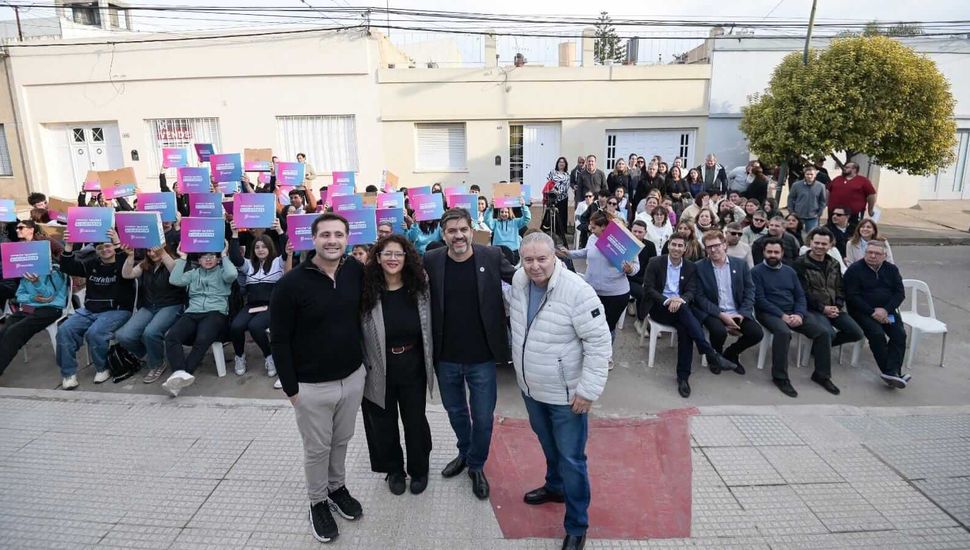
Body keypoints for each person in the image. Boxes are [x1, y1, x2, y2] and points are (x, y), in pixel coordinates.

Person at [508, 232, 611, 550]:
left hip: (567, 397)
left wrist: (588, 391)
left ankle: (577, 525)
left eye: (542, 259)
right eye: (528, 260)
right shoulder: (519, 281)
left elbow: (599, 343)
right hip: (531, 389)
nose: (535, 266)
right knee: (549, 446)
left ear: (555, 257)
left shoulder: (578, 291)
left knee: (571, 459)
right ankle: (555, 487)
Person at [270, 213, 367, 543]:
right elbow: (279, 339)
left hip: (352, 378)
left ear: (347, 239)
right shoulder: (291, 284)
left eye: (338, 234)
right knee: (317, 448)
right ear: (313, 239)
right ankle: (317, 502)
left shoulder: (355, 271)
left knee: (342, 440)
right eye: (325, 234)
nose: (332, 240)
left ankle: (337, 488)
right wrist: (292, 389)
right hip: (311, 386)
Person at [423, 208, 516, 500]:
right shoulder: (431, 260)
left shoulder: (491, 256)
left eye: (463, 229)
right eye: (452, 231)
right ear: (443, 234)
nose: (458, 236)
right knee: (456, 413)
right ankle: (465, 452)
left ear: (471, 231)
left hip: (482, 357)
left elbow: (521, 279)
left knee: (484, 418)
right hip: (446, 357)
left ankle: (476, 465)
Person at [360, 235, 434, 496]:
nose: (393, 259)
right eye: (387, 254)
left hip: (413, 366)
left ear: (406, 257)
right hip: (378, 368)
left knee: (415, 421)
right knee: (384, 423)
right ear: (378, 258)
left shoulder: (420, 288)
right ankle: (394, 470)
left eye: (398, 254)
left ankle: (419, 469)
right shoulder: (367, 291)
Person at [642, 235, 737, 397]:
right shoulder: (655, 262)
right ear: (668, 245)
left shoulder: (690, 267)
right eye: (674, 244)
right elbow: (649, 289)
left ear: (685, 249)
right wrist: (668, 301)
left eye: (680, 246)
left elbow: (691, 291)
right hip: (660, 307)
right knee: (686, 314)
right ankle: (710, 353)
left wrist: (680, 300)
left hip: (680, 308)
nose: (676, 248)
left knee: (686, 329)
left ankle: (683, 377)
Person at [751, 238, 839, 398]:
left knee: (823, 332)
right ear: (763, 252)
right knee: (783, 332)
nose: (772, 255)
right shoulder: (756, 272)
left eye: (776, 252)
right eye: (769, 252)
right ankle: (780, 377)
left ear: (782, 253)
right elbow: (760, 300)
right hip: (769, 313)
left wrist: (798, 314)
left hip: (793, 311)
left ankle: (822, 375)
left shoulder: (789, 271)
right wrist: (783, 316)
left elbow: (800, 296)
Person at [56, 228, 135, 390]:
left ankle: (102, 367)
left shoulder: (124, 263)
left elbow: (124, 265)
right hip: (90, 310)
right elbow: (67, 267)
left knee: (95, 333)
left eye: (108, 246)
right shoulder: (91, 264)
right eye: (100, 248)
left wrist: (117, 242)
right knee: (64, 330)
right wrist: (69, 246)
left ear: (114, 247)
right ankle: (69, 374)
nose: (105, 250)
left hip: (117, 310)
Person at [160, 240, 237, 396]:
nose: (208, 259)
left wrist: (224, 255)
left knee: (202, 338)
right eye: (204, 257)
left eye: (212, 256)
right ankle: (179, 372)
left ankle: (183, 375)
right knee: (171, 337)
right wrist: (182, 257)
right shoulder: (193, 273)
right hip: (192, 312)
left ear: (217, 259)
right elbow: (175, 280)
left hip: (215, 312)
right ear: (199, 260)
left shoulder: (222, 272)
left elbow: (232, 275)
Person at [0, 223, 68, 378]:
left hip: (50, 308)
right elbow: (19, 295)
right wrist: (31, 297)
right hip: (30, 307)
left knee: (15, 332)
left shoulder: (55, 271)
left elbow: (49, 296)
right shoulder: (26, 271)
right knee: (4, 331)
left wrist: (37, 283)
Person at [565, 212, 637, 353]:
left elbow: (635, 267)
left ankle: (605, 355)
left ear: (604, 227)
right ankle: (589, 353)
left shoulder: (622, 241)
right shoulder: (593, 238)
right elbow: (587, 252)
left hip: (615, 295)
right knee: (589, 325)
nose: (590, 230)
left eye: (593, 227)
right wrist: (569, 253)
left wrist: (630, 269)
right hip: (591, 292)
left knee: (607, 328)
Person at [693, 231, 763, 374]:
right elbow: (699, 297)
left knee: (756, 333)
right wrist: (721, 315)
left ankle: (731, 353)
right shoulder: (699, 267)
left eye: (716, 245)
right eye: (709, 247)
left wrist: (742, 314)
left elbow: (750, 290)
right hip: (714, 311)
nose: (713, 250)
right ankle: (716, 357)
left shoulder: (740, 265)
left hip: (737, 311)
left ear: (724, 245)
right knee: (719, 332)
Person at [843, 238, 909, 388]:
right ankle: (891, 372)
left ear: (884, 256)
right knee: (877, 334)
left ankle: (892, 372)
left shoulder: (891, 269)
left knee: (899, 334)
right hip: (863, 312)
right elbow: (852, 296)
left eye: (877, 253)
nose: (872, 256)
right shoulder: (854, 270)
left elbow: (899, 293)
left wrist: (885, 310)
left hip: (887, 311)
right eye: (869, 252)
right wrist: (873, 312)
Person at [115, 244, 186, 384]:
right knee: (123, 335)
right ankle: (150, 355)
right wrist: (130, 256)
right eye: (149, 251)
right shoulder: (145, 265)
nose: (152, 254)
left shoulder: (175, 262)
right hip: (149, 306)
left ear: (164, 249)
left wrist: (163, 253)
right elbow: (127, 275)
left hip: (171, 305)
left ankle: (157, 364)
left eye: (155, 250)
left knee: (151, 333)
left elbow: (177, 275)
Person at [794, 227, 865, 354]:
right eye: (816, 243)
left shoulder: (834, 263)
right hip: (812, 309)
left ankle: (817, 348)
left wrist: (837, 306)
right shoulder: (800, 264)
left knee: (856, 333)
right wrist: (823, 308)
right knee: (828, 333)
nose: (819, 246)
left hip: (833, 308)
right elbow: (802, 292)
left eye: (824, 244)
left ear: (830, 245)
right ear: (810, 242)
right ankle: (821, 347)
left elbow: (840, 287)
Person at [230, 234, 290, 378]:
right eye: (257, 247)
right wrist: (235, 235)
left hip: (271, 306)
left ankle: (269, 356)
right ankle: (239, 356)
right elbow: (236, 258)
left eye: (264, 247)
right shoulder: (249, 265)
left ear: (270, 248)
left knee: (255, 326)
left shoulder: (278, 262)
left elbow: (286, 251)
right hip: (251, 306)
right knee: (236, 326)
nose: (260, 250)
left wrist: (280, 231)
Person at [627, 220, 658, 336]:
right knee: (644, 293)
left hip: (644, 279)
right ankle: (640, 321)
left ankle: (651, 321)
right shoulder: (625, 244)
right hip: (627, 279)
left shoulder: (650, 245)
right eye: (634, 231)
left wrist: (648, 281)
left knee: (655, 291)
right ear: (630, 230)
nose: (637, 234)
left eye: (640, 232)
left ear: (645, 233)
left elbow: (653, 266)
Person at [787, 165, 827, 233]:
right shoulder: (796, 185)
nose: (809, 176)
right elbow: (791, 198)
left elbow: (823, 201)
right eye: (807, 174)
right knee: (796, 234)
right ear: (804, 174)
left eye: (811, 174)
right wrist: (791, 211)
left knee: (811, 234)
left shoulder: (821, 186)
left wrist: (819, 213)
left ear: (815, 175)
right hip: (798, 216)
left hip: (813, 217)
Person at [547, 157, 571, 243]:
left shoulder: (567, 174)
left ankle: (561, 233)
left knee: (562, 215)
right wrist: (553, 191)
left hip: (563, 198)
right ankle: (552, 232)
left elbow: (567, 186)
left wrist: (559, 192)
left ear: (565, 164)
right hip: (553, 198)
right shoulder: (552, 172)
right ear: (557, 163)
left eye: (563, 162)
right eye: (560, 162)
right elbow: (548, 183)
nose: (561, 163)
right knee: (552, 215)